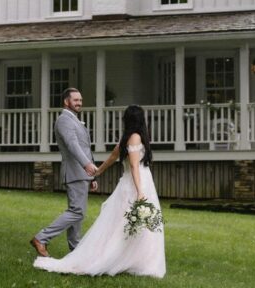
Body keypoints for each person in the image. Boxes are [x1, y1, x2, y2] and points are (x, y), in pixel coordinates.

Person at [33, 105, 166, 278]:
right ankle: (124, 259)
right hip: (137, 183)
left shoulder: (128, 137)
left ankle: (136, 259)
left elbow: (112, 157)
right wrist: (140, 191)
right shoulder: (134, 137)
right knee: (128, 224)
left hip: (138, 181)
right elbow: (133, 165)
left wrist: (98, 172)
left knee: (133, 224)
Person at [30, 88, 98, 257]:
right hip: (74, 172)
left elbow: (85, 148)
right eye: (76, 100)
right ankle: (41, 238)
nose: (79, 103)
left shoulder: (74, 120)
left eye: (81, 100)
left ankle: (76, 249)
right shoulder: (64, 120)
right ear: (66, 101)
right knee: (77, 212)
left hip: (82, 173)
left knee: (78, 213)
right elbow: (72, 145)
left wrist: (92, 175)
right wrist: (87, 165)